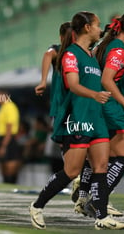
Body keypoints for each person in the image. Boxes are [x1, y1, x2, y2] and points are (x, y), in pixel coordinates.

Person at [29, 11, 124, 230]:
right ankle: (37, 205)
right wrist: (95, 95)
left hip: (96, 117)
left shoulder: (92, 55)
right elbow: (73, 85)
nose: (99, 29)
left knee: (101, 166)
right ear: (86, 28)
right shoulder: (70, 55)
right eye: (97, 25)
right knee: (72, 171)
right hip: (78, 119)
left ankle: (101, 217)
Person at [73, 11, 124, 217]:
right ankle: (99, 201)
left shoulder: (104, 46)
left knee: (97, 160)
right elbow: (107, 79)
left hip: (98, 108)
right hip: (112, 109)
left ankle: (85, 197)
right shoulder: (118, 50)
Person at [35, 22, 72, 173]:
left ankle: (75, 176)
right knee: (67, 143)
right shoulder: (58, 51)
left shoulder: (79, 53)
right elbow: (48, 54)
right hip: (63, 106)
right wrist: (43, 80)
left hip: (74, 105)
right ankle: (73, 176)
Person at [0, 89, 21, 184]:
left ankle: (11, 184)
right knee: (3, 167)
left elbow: (9, 128)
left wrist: (4, 146)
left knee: (10, 167)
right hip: (1, 138)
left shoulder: (10, 107)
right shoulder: (2, 108)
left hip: (8, 139)